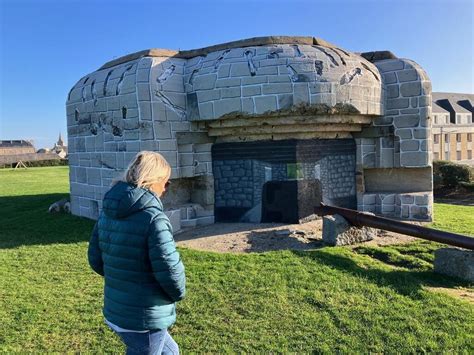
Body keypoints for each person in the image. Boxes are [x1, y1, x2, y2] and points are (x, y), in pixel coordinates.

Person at [88, 151, 186, 355]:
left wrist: (123, 278)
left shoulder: (107, 211)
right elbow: (171, 272)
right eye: (166, 183)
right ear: (154, 181)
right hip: (143, 317)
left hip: (118, 310)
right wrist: (179, 293)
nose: (166, 189)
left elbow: (96, 259)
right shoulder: (154, 219)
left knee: (171, 351)